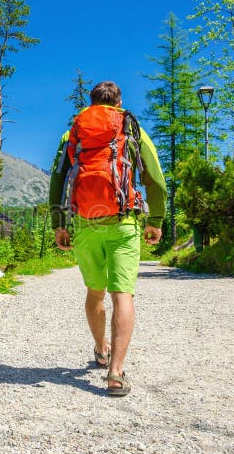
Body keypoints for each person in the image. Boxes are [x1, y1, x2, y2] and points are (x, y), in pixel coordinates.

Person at [49, 80, 167, 396]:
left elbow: (58, 179)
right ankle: (115, 374)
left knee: (95, 292)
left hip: (86, 224)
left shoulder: (73, 131)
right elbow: (154, 177)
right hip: (123, 221)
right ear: (119, 102)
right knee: (122, 295)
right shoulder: (130, 128)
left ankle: (101, 350)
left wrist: (60, 223)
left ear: (91, 102)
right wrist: (155, 219)